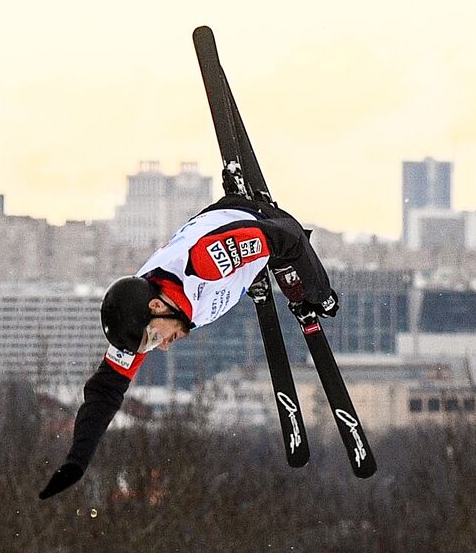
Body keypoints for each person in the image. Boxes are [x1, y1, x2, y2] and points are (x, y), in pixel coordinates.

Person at [38, 193, 337, 500]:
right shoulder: (140, 313)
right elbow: (104, 390)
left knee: (281, 256)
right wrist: (76, 462)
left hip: (256, 221)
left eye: (155, 338)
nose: (163, 347)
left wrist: (319, 294)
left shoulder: (207, 262)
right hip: (229, 253)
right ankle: (253, 272)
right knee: (221, 290)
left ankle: (266, 268)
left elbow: (290, 235)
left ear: (156, 305)